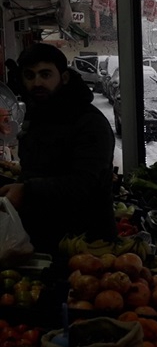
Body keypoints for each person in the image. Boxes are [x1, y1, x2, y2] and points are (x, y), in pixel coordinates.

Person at [0, 44, 116, 254]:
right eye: (30, 75)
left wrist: (28, 191)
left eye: (45, 74)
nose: (37, 82)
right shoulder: (40, 114)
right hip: (44, 238)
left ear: (63, 77)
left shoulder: (88, 122)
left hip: (85, 247)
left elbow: (85, 184)